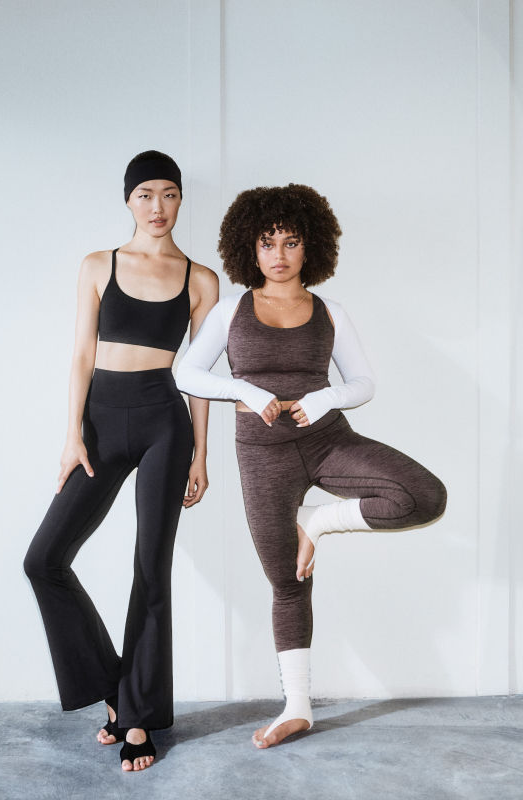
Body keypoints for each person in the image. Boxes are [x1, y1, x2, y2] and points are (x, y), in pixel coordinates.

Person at [175, 183, 447, 750]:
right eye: (267, 243)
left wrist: (326, 398)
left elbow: (363, 382)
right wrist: (245, 391)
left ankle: (316, 521)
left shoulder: (331, 312)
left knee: (424, 495)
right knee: (287, 580)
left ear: (310, 247)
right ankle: (297, 709)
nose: (279, 254)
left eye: (291, 242)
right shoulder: (231, 311)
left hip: (327, 441)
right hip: (263, 454)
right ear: (249, 248)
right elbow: (187, 373)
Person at [24, 150, 218, 772]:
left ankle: (136, 717)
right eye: (145, 195)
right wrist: (72, 435)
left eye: (169, 194)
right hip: (101, 421)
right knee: (44, 560)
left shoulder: (201, 280)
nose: (157, 207)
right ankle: (117, 689)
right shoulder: (98, 265)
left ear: (180, 199)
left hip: (164, 421)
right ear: (128, 200)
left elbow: (198, 377)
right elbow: (82, 354)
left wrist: (201, 453)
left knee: (150, 570)